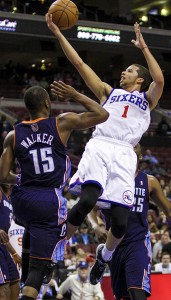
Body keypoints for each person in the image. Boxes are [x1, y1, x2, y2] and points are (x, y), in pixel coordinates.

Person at [46, 14, 164, 285]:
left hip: (124, 153)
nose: (124, 72)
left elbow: (159, 79)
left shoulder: (148, 100)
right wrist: (58, 33)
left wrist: (144, 48)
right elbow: (79, 63)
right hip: (101, 145)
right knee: (87, 200)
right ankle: (53, 252)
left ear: (139, 80)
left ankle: (105, 257)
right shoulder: (107, 92)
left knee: (120, 223)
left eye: (130, 71)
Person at [0, 83, 108, 300]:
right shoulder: (62, 122)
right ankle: (45, 264)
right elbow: (102, 114)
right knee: (38, 271)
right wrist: (74, 94)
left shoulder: (13, 135)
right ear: (48, 103)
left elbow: (3, 176)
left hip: (22, 199)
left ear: (27, 108)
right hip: (48, 199)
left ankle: (35, 266)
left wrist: (20, 178)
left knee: (33, 229)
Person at [88, 144, 171, 300]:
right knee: (122, 296)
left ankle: (103, 256)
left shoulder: (149, 181)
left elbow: (169, 210)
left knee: (137, 292)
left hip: (138, 243)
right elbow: (89, 208)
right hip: (114, 246)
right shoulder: (107, 180)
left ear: (139, 158)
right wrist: (96, 226)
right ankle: (104, 256)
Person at [0, 184, 20, 300]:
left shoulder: (10, 201)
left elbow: (4, 237)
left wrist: (14, 254)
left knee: (15, 286)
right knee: (4, 290)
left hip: (3, 249)